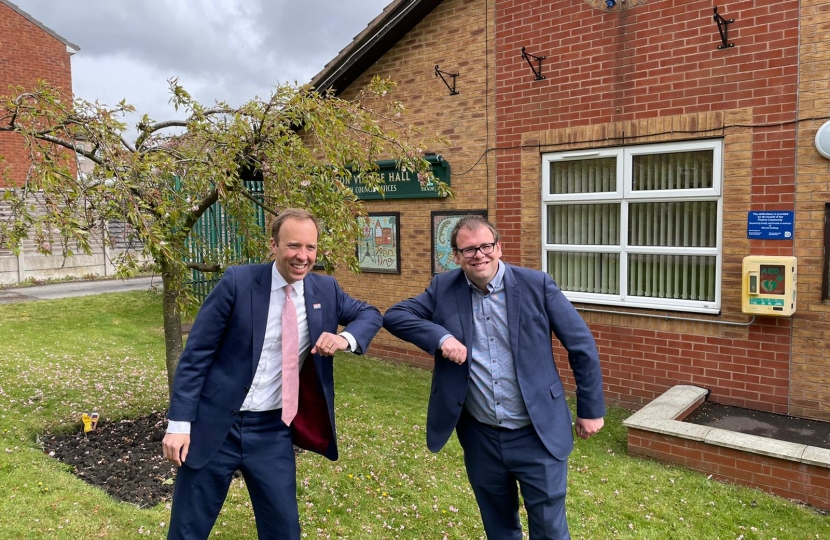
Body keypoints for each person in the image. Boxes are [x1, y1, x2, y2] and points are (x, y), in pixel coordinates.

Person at [162, 208, 382, 540]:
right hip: (215, 424)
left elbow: (369, 314)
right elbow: (196, 356)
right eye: (294, 246)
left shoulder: (326, 290)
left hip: (272, 430)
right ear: (274, 245)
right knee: (188, 529)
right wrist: (179, 424)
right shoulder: (238, 282)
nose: (303, 256)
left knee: (283, 530)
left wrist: (344, 339)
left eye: (310, 248)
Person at [383, 215, 605, 540]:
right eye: (469, 249)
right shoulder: (444, 288)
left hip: (537, 433)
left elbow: (581, 344)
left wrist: (590, 408)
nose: (479, 255)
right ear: (456, 256)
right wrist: (442, 339)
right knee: (499, 529)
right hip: (481, 437)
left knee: (550, 530)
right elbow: (395, 316)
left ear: (498, 247)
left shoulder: (536, 285)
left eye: (486, 246)